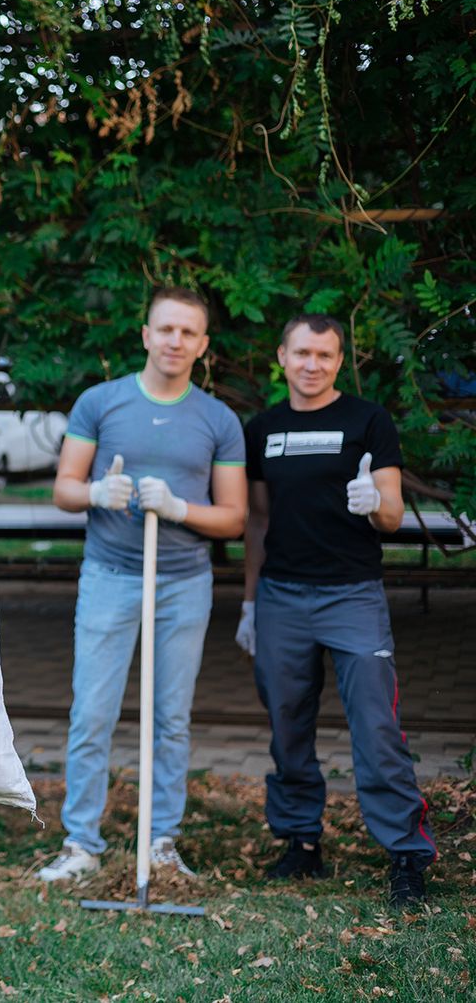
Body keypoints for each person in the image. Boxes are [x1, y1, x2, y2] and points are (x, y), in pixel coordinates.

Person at [35, 286, 247, 884]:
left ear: (202, 346)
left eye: (189, 333)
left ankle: (161, 843)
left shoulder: (217, 419)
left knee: (171, 717)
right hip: (109, 577)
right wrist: (99, 492)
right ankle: (81, 843)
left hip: (184, 583)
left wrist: (180, 507)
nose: (175, 340)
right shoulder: (101, 403)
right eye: (166, 329)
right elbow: (64, 489)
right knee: (93, 713)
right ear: (146, 334)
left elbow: (232, 516)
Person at [239, 313, 437, 906]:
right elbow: (256, 519)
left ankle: (406, 852)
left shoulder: (367, 419)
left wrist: (374, 500)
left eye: (325, 356)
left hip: (352, 593)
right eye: (302, 353)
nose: (312, 365)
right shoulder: (263, 429)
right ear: (282, 356)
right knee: (287, 723)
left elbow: (393, 515)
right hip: (282, 596)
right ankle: (301, 841)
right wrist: (250, 600)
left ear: (338, 360)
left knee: (376, 724)